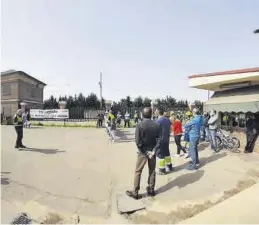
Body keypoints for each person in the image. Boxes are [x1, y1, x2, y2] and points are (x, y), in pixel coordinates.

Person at [126, 107, 162, 200]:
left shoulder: (140, 125)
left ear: (142, 114)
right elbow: (159, 140)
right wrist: (153, 151)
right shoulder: (157, 125)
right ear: (151, 114)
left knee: (138, 171)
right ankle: (151, 189)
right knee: (152, 171)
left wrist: (146, 152)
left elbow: (138, 142)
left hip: (143, 152)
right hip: (152, 153)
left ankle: (135, 192)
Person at [156, 108, 173, 174]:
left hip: (160, 140)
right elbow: (171, 129)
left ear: (158, 113)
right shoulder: (167, 120)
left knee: (161, 155)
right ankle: (169, 166)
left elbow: (155, 132)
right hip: (166, 139)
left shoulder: (157, 121)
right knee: (167, 152)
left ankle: (162, 170)